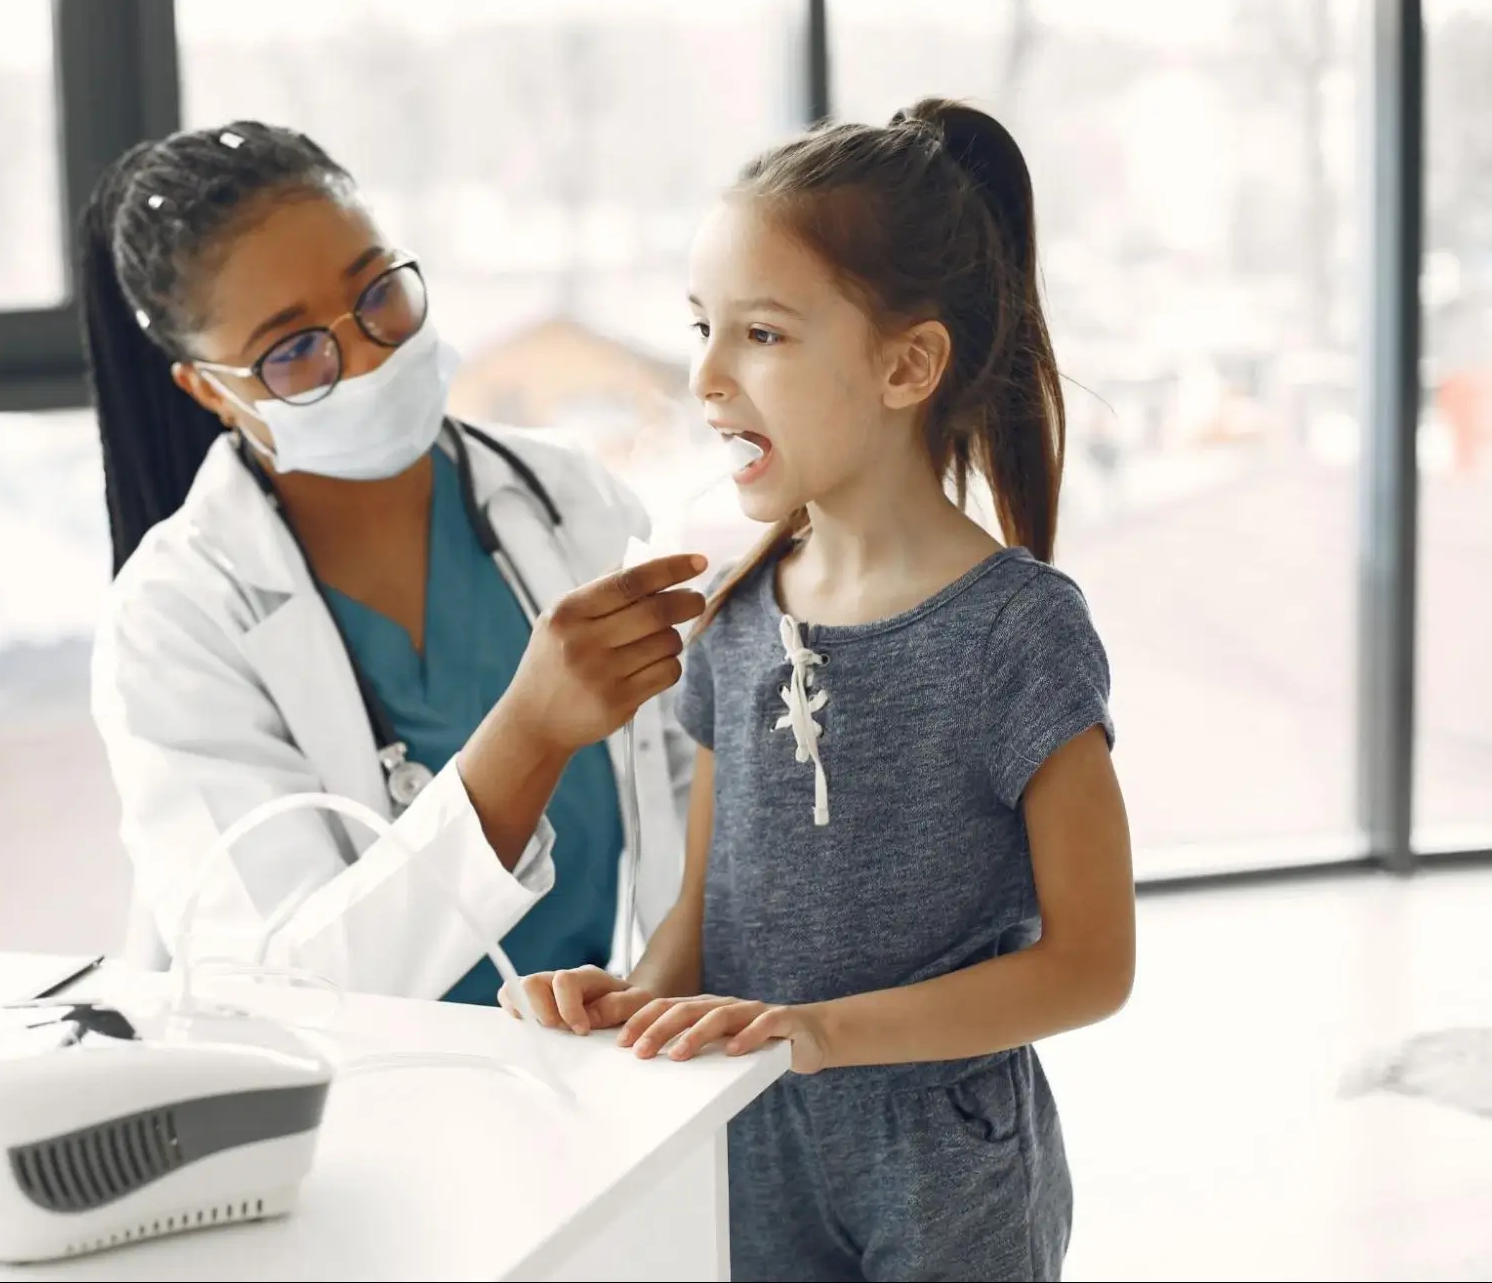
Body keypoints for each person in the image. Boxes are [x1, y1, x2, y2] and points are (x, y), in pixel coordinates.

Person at [501, 100, 1136, 1282]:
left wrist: (821, 1034)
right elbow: (704, 916)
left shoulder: (1018, 631)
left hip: (947, 1172)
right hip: (748, 1141)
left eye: (763, 334)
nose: (704, 375)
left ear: (907, 365)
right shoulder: (736, 613)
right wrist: (625, 1005)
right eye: (700, 327)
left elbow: (1092, 964)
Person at [80, 120, 704, 1005]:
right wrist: (525, 736)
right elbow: (278, 981)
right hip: (367, 1107)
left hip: (614, 1063)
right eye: (293, 350)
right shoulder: (177, 616)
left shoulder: (569, 498)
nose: (370, 353)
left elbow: (691, 795)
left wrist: (656, 981)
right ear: (208, 390)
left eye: (377, 294)